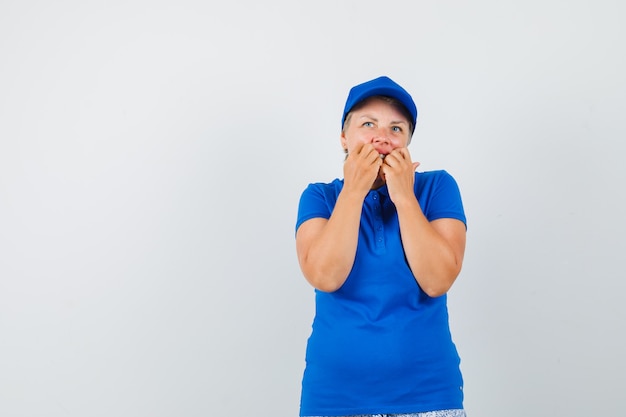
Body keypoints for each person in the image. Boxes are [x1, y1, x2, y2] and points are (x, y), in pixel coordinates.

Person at [294, 76, 468, 417]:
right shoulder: (319, 197)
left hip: (429, 395)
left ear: (407, 142)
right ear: (344, 137)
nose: (381, 137)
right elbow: (325, 276)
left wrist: (403, 195)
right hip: (334, 399)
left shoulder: (437, 188)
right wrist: (354, 192)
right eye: (368, 124)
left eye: (396, 128)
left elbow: (437, 280)